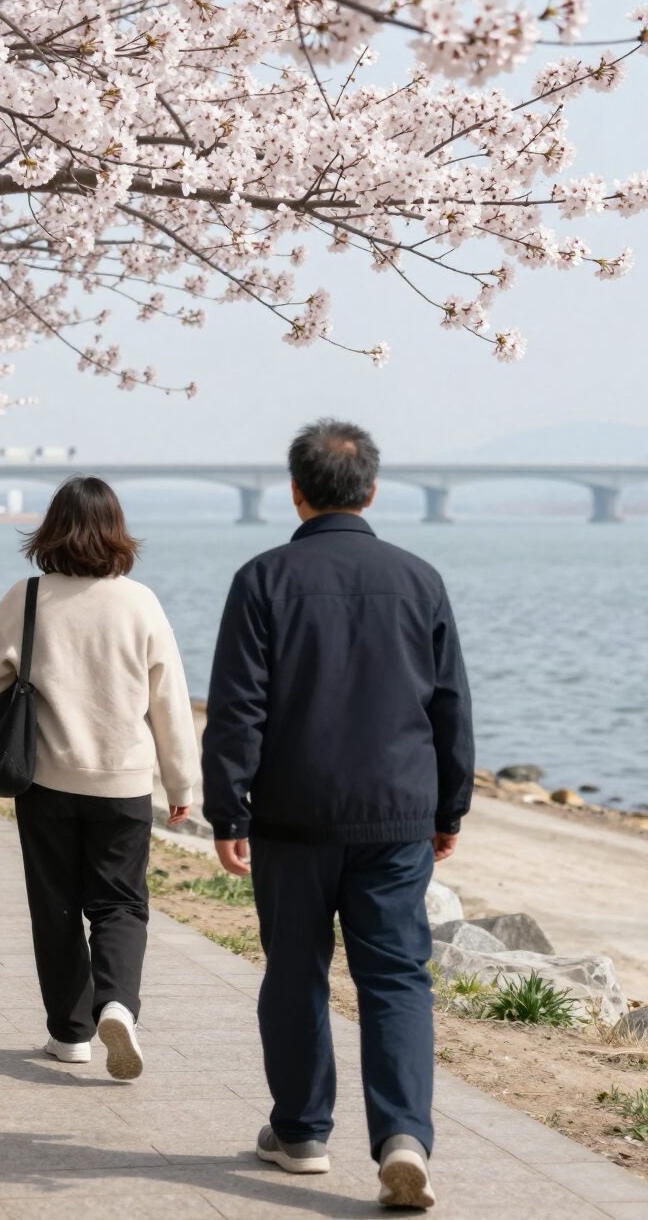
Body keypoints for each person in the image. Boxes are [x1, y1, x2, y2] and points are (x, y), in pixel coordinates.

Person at [201, 420, 474, 1212]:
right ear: (374, 491)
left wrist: (227, 811)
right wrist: (450, 804)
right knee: (394, 978)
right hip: (396, 817)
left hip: (291, 818)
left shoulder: (264, 579)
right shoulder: (419, 579)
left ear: (296, 489)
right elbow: (450, 704)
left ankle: (301, 1133)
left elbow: (237, 709)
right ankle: (402, 1139)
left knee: (295, 972)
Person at [0, 477, 198, 1080]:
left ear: (51, 531)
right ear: (117, 531)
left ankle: (69, 1035)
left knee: (56, 905)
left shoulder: (28, 596)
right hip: (122, 781)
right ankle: (117, 1002)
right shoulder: (140, 602)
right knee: (121, 902)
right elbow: (168, 700)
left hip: (45, 778)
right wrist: (182, 787)